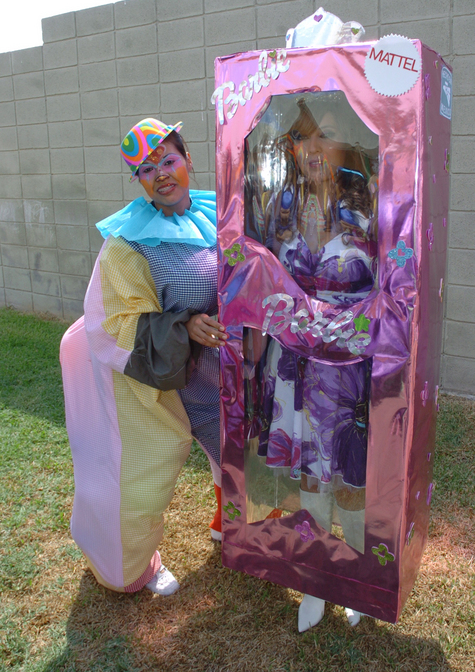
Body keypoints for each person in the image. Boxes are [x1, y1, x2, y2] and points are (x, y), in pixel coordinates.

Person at [60, 118, 226, 595]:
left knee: (235, 456)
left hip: (223, 373)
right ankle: (132, 568)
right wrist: (185, 326)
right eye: (147, 169)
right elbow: (115, 321)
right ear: (139, 180)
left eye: (168, 160)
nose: (162, 175)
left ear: (188, 158)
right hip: (161, 382)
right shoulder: (126, 242)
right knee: (138, 481)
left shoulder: (222, 215)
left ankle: (230, 525)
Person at [245, 93, 377, 630]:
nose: (313, 147)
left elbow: (398, 290)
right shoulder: (279, 206)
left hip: (347, 369)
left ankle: (361, 578)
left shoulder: (371, 203)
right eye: (302, 137)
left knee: (349, 474)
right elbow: (256, 278)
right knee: (309, 474)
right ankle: (317, 579)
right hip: (293, 365)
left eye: (326, 134)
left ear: (347, 142)